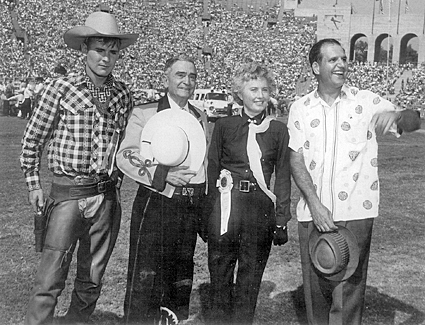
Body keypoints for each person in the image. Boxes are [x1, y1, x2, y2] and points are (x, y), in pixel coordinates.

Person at [287, 38, 421, 325]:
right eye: (332, 59)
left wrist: (399, 115)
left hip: (357, 213)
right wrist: (315, 204)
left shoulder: (366, 101)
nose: (341, 64)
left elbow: (412, 121)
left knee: (349, 296)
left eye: (343, 59)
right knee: (317, 295)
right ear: (315, 66)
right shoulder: (300, 107)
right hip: (313, 212)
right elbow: (295, 160)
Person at [20, 11, 138, 325]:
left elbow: (127, 147)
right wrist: (34, 185)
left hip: (106, 196)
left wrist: (117, 178)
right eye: (100, 49)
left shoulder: (123, 94)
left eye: (113, 51)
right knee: (50, 276)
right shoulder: (60, 88)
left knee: (92, 278)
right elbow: (32, 140)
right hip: (67, 193)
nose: (107, 57)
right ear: (84, 49)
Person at [116, 54, 209, 325]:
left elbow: (200, 162)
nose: (187, 81)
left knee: (180, 275)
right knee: (146, 275)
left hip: (188, 206)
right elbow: (126, 156)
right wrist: (164, 175)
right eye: (180, 75)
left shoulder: (199, 116)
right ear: (166, 76)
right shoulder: (144, 112)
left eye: (192, 76)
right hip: (155, 202)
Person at [206, 61, 292, 325]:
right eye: (253, 89)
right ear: (239, 93)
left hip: (259, 210)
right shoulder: (224, 126)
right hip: (227, 208)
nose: (259, 95)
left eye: (265, 90)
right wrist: (208, 214)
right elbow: (212, 169)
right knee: (220, 273)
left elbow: (283, 176)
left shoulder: (277, 130)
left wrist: (281, 219)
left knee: (250, 275)